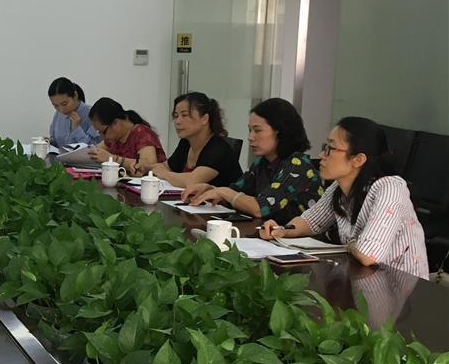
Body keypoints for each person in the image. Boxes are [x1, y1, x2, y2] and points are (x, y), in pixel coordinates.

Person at [260, 117, 429, 278]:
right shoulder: (339, 187)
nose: (321, 155)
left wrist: (349, 245)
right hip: (362, 278)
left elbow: (367, 255)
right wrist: (281, 230)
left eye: (330, 149)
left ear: (358, 159)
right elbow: (310, 222)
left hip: (401, 286)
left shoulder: (390, 188)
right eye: (325, 147)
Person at [183, 97, 322, 223]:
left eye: (257, 130)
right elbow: (235, 192)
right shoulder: (262, 162)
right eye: (250, 130)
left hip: (299, 239)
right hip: (269, 234)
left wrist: (223, 192)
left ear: (281, 131)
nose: (250, 137)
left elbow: (261, 208)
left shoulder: (298, 165)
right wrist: (210, 189)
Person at [151, 91, 242, 188]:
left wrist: (164, 174)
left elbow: (191, 181)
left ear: (204, 119)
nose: (177, 121)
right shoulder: (186, 142)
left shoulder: (218, 149)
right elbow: (165, 167)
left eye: (184, 115)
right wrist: (157, 169)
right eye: (176, 116)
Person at [88, 97, 167, 177]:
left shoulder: (142, 134)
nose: (102, 136)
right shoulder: (114, 138)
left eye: (103, 132)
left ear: (116, 122)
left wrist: (112, 159)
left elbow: (149, 164)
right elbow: (95, 150)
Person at [47, 77, 101, 149]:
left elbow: (95, 147)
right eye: (55, 105)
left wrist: (77, 129)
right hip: (61, 156)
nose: (61, 110)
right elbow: (54, 141)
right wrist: (47, 143)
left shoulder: (92, 115)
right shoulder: (58, 114)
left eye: (64, 104)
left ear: (75, 95)